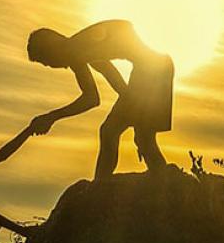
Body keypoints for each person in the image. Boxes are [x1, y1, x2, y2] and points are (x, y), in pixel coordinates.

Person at [26, 19, 175, 179]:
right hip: (155, 68)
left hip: (153, 71)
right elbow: (112, 79)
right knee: (137, 137)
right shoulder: (77, 49)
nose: (52, 66)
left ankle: (101, 186)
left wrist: (51, 117)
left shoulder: (75, 50)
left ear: (52, 50)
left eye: (47, 62)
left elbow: (91, 98)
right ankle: (159, 181)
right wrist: (133, 111)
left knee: (113, 132)